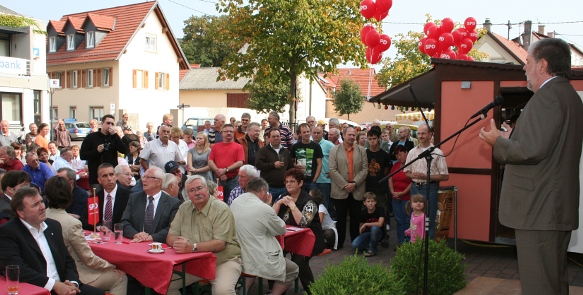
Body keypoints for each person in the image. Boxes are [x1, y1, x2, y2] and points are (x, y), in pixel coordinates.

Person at [479, 38, 583, 295]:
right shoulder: (567, 95)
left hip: (539, 210)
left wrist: (497, 143)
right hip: (551, 208)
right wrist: (511, 139)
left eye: (527, 62)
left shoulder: (547, 97)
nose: (524, 68)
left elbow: (531, 151)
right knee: (553, 282)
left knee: (539, 286)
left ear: (543, 64)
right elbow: (547, 147)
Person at [0, 186, 104, 295]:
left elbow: (68, 260)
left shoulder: (53, 226)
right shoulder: (8, 232)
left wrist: (72, 282)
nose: (42, 207)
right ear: (21, 212)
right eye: (35, 205)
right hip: (38, 288)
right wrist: (54, 285)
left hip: (64, 284)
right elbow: (17, 269)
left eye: (41, 202)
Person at [45, 176, 128, 295]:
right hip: (76, 275)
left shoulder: (42, 218)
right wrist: (112, 266)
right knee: (121, 278)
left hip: (54, 272)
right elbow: (88, 259)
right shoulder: (72, 223)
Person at [166, 175, 242, 295]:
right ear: (187, 194)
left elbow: (220, 244)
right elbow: (170, 236)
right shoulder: (184, 208)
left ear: (207, 189)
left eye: (199, 188)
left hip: (222, 260)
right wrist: (180, 244)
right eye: (192, 190)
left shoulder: (221, 209)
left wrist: (191, 247)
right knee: (164, 284)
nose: (196, 193)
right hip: (193, 263)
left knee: (222, 292)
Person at [231, 177, 299, 295]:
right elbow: (281, 229)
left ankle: (242, 291)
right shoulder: (263, 208)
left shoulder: (236, 201)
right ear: (262, 190)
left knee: (251, 267)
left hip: (238, 255)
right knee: (293, 269)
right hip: (256, 258)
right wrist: (268, 207)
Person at [272, 168, 325, 295]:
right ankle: (274, 290)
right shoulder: (282, 196)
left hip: (310, 240)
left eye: (292, 181)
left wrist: (293, 206)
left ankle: (313, 291)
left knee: (298, 262)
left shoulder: (309, 202)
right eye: (286, 182)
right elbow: (270, 217)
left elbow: (303, 223)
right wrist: (278, 203)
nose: (288, 184)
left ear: (300, 183)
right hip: (289, 237)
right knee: (273, 254)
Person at [403, 124, 448, 239]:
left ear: (430, 134)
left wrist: (425, 176)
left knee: (429, 220)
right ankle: (415, 247)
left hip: (429, 188)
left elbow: (445, 176)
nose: (420, 136)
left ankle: (428, 250)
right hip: (415, 187)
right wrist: (412, 175)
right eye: (418, 133)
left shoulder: (437, 152)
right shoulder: (412, 152)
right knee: (414, 219)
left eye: (423, 133)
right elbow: (406, 172)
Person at [329, 127, 368, 247]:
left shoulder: (362, 151)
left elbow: (365, 170)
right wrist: (345, 185)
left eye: (353, 135)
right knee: (340, 218)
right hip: (341, 189)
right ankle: (339, 243)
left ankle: (355, 242)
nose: (351, 137)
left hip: (357, 188)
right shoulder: (334, 150)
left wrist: (355, 183)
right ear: (343, 135)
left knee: (355, 218)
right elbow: (332, 170)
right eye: (349, 135)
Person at [120, 167, 181, 243]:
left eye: (148, 177)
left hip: (159, 246)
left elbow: (172, 228)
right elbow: (124, 222)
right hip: (136, 243)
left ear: (159, 182)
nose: (143, 180)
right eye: (143, 177)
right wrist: (136, 234)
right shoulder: (134, 198)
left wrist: (151, 237)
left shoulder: (173, 203)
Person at [81, 115, 129, 189]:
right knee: (98, 198)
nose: (110, 126)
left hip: (111, 176)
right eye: (108, 123)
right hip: (96, 177)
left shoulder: (114, 138)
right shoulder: (91, 137)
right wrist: (96, 151)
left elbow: (124, 150)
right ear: (102, 123)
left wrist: (115, 136)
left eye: (112, 124)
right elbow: (83, 155)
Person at [365, 127, 391, 246]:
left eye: (374, 139)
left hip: (380, 189)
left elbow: (386, 171)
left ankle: (384, 236)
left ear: (379, 139)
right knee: (366, 213)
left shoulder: (384, 155)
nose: (372, 141)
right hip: (367, 187)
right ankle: (366, 236)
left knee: (382, 213)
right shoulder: (365, 153)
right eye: (370, 139)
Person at [208, 124, 244, 202]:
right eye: (226, 131)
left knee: (232, 201)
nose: (228, 133)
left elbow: (240, 162)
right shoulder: (215, 146)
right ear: (222, 133)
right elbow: (210, 161)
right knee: (218, 202)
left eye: (231, 131)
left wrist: (225, 170)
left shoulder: (239, 147)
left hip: (233, 180)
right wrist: (219, 172)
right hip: (218, 180)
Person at [255, 129, 294, 198]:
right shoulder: (263, 151)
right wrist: (273, 165)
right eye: (273, 136)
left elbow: (290, 168)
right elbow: (258, 165)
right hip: (269, 188)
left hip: (284, 188)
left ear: (280, 137)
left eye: (278, 136)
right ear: (269, 138)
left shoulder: (285, 151)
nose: (276, 138)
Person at [95, 163, 132, 232]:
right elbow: (85, 220)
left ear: (116, 177)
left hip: (121, 235)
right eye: (105, 176)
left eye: (111, 175)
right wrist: (99, 227)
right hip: (101, 236)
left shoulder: (129, 196)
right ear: (99, 180)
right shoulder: (95, 197)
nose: (109, 179)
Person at [389, 145, 412, 249]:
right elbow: (390, 178)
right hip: (395, 197)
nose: (399, 157)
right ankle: (400, 242)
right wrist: (392, 192)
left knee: (407, 220)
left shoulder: (410, 165)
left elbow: (412, 182)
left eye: (401, 154)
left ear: (406, 153)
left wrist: (403, 193)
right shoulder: (395, 165)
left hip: (407, 197)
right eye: (397, 155)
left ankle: (407, 243)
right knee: (399, 221)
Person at [290, 123, 323, 192]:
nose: (306, 134)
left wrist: (314, 180)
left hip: (311, 181)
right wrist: (295, 166)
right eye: (304, 132)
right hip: (299, 180)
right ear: (300, 134)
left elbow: (319, 164)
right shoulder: (295, 146)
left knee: (312, 201)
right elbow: (291, 162)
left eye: (308, 131)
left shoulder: (316, 146)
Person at [351, 192, 385, 257]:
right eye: (368, 201)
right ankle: (371, 244)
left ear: (376, 202)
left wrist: (366, 224)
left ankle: (372, 250)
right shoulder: (363, 213)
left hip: (378, 233)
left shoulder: (380, 210)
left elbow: (380, 224)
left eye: (372, 201)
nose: (370, 203)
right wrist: (361, 230)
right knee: (355, 245)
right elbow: (361, 229)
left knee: (374, 228)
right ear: (364, 203)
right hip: (368, 234)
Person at [312, 126, 335, 219]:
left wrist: (332, 171)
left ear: (322, 134)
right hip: (312, 180)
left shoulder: (329, 145)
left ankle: (326, 225)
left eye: (318, 133)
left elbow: (337, 158)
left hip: (324, 180)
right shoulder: (309, 144)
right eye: (314, 133)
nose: (316, 135)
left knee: (324, 204)